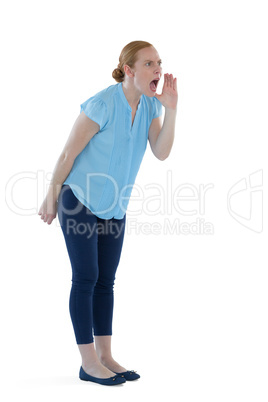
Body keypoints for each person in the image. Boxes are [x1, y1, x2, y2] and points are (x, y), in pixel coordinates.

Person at [38, 40, 178, 386]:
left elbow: (161, 152)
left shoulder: (150, 107)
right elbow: (67, 154)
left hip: (115, 206)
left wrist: (172, 109)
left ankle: (105, 356)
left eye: (159, 62)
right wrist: (51, 196)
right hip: (78, 199)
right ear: (129, 70)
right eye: (149, 64)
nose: (157, 69)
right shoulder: (102, 103)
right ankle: (88, 363)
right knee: (86, 276)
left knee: (105, 282)